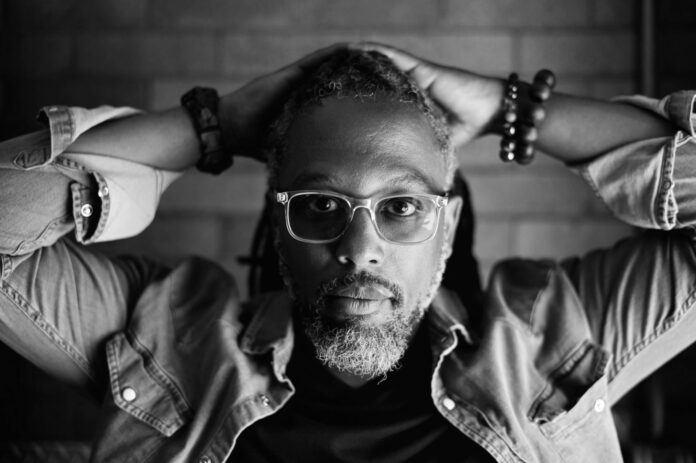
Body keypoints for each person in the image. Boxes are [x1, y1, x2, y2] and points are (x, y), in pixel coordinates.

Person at [0, 41, 694, 463]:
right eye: (320, 206)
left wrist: (508, 107)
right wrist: (214, 125)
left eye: (402, 207)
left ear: (449, 227)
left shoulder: (551, 333)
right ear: (279, 225)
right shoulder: (171, 334)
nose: (359, 250)